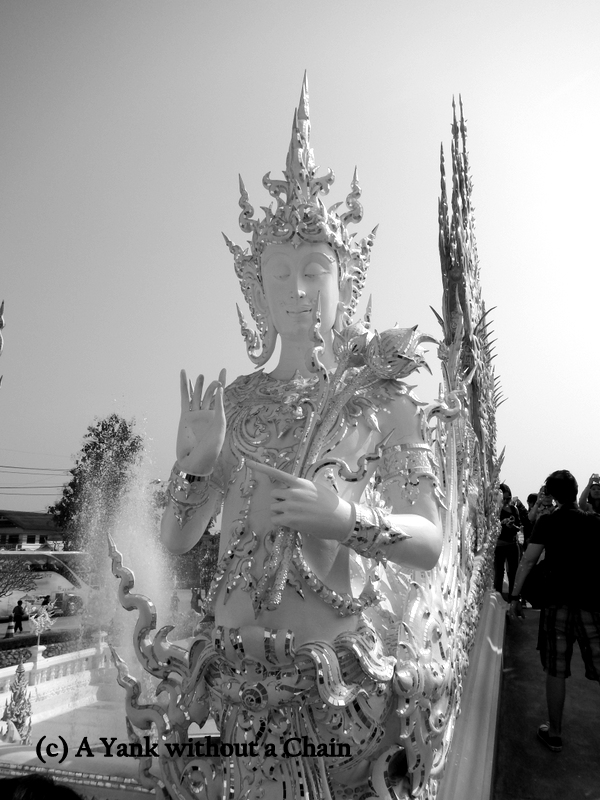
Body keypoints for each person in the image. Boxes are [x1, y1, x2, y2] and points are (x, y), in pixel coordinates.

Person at [159, 79, 444, 799]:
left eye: (315, 269)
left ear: (347, 282)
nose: (296, 288)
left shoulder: (376, 400)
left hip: (336, 681)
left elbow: (429, 542)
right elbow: (179, 540)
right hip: (231, 681)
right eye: (278, 272)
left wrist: (345, 521)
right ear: (255, 289)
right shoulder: (231, 401)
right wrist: (195, 468)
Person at [509, 470, 600, 752]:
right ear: (576, 492)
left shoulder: (548, 522)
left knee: (556, 671)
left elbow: (526, 561)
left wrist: (515, 597)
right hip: (590, 604)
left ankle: (556, 733)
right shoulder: (594, 521)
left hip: (557, 604)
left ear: (552, 494)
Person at [493, 483, 522, 598]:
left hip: (512, 544)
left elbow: (519, 527)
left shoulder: (513, 509)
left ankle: (513, 599)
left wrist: (512, 526)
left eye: (508, 498)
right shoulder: (495, 510)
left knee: (513, 573)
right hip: (499, 545)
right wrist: (501, 523)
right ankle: (498, 598)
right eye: (503, 498)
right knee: (499, 574)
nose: (505, 501)